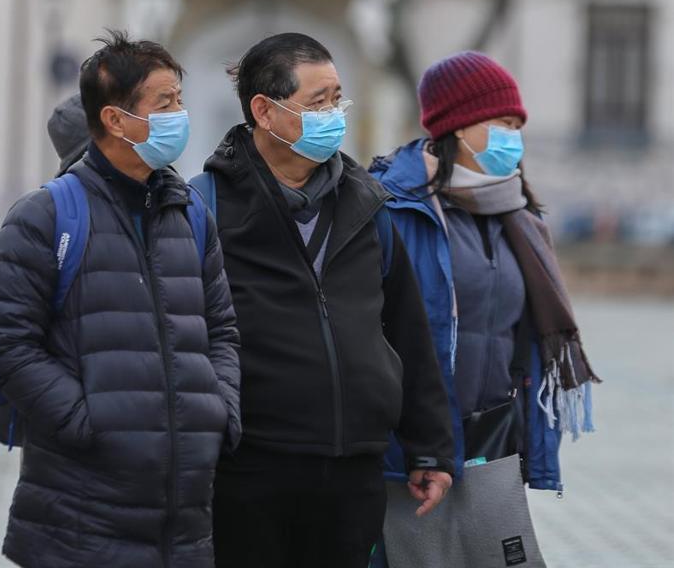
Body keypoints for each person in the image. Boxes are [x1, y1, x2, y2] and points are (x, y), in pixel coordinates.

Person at [0, 30, 240, 568]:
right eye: (164, 104)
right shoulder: (46, 216)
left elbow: (222, 331)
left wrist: (219, 411)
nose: (179, 116)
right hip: (79, 513)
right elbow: (6, 343)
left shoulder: (189, 213)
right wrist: (86, 421)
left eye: (180, 101)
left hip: (183, 516)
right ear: (115, 120)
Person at [199, 33, 455, 568]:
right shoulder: (207, 206)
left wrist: (428, 447)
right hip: (249, 469)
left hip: (351, 468)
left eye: (338, 98)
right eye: (318, 102)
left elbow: (407, 328)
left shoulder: (368, 205)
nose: (333, 114)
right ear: (264, 112)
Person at [369, 51, 600, 566]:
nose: (511, 136)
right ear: (456, 126)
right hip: (415, 443)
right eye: (499, 122)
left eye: (516, 123)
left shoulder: (516, 213)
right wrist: (416, 442)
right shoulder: (395, 206)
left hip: (492, 436)